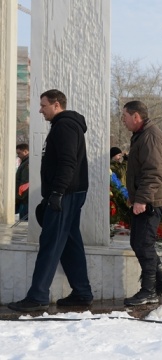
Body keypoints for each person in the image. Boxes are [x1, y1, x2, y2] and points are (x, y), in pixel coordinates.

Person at [8, 89, 93, 312]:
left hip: (65, 194)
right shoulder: (63, 125)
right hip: (69, 193)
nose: (40, 109)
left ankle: (37, 296)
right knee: (70, 243)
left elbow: (67, 162)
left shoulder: (64, 126)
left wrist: (56, 193)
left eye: (43, 105)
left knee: (50, 242)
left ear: (56, 104)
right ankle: (82, 293)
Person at [121, 100, 162, 306]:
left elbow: (153, 172)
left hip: (151, 201)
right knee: (139, 242)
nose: (123, 121)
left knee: (143, 244)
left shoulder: (150, 136)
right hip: (147, 199)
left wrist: (142, 199)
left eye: (125, 116)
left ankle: (149, 290)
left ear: (136, 116)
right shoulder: (142, 135)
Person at [15, 143, 30, 220]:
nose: (18, 155)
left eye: (19, 153)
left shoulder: (27, 163)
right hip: (23, 198)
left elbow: (25, 183)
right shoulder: (25, 162)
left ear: (25, 151)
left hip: (24, 199)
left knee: (24, 222)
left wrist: (18, 197)